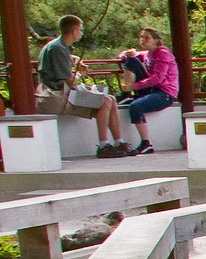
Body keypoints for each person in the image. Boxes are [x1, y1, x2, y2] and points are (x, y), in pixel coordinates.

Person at [35, 15, 129, 156]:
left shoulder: (59, 46)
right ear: (73, 30)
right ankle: (104, 146)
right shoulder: (58, 49)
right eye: (81, 29)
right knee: (105, 101)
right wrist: (80, 73)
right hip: (57, 97)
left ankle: (119, 143)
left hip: (63, 94)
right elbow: (70, 80)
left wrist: (74, 62)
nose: (82, 33)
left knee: (110, 99)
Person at [115, 26, 179, 157]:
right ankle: (126, 94)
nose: (143, 40)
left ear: (156, 40)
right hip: (152, 90)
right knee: (131, 60)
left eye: (147, 38)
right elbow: (126, 55)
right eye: (141, 37)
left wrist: (134, 86)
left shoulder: (163, 53)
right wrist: (125, 55)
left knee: (136, 106)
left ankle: (146, 144)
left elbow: (158, 78)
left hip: (164, 93)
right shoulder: (146, 54)